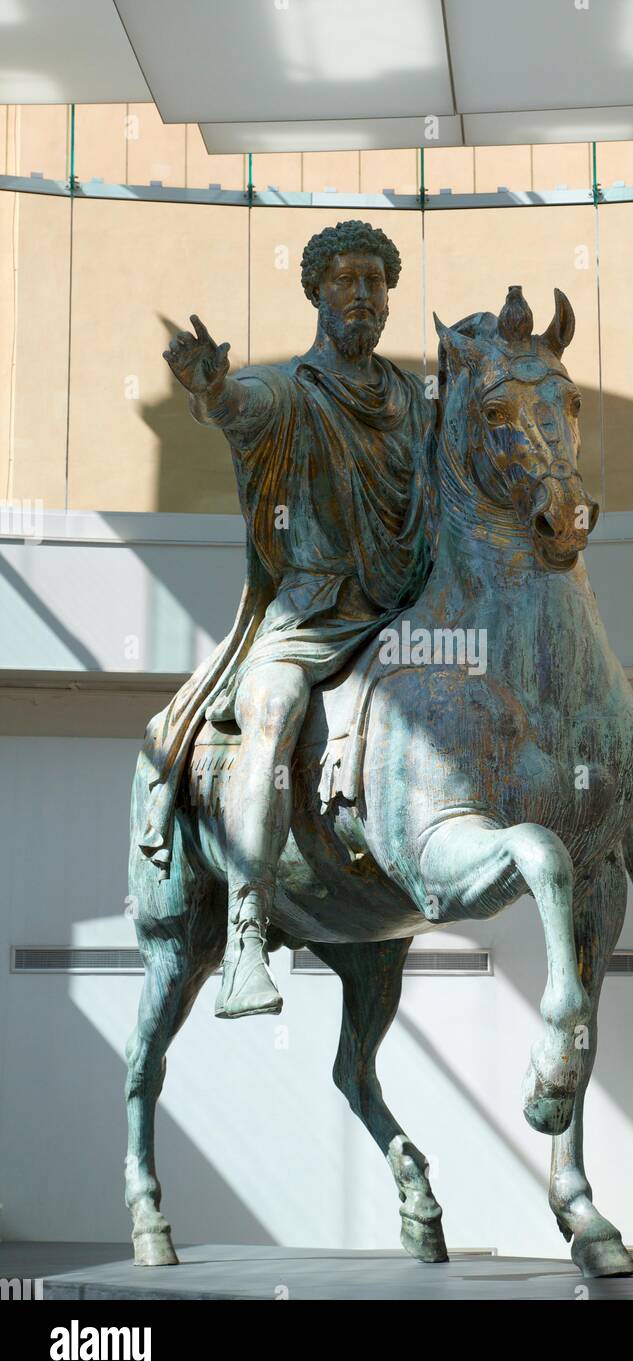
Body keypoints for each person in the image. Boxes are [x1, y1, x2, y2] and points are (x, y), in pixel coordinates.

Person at [139, 221, 433, 1018]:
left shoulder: (414, 399)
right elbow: (236, 408)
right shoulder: (289, 392)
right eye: (345, 280)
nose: (363, 295)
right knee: (269, 711)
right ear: (315, 291)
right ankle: (244, 933)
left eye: (375, 281)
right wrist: (208, 389)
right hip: (312, 613)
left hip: (408, 616)